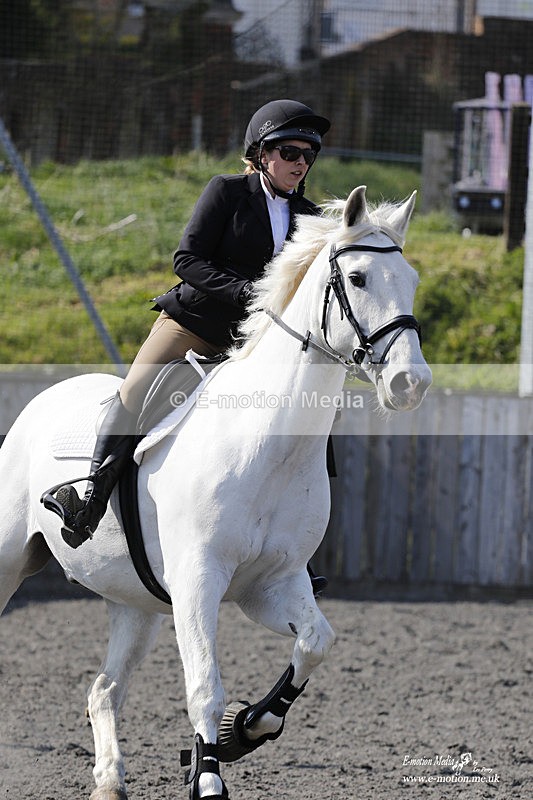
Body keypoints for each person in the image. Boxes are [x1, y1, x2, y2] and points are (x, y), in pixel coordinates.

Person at [42, 99, 330, 591]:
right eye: (289, 151)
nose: (300, 162)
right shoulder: (226, 192)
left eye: (308, 154)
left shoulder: (311, 216)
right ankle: (88, 497)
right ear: (260, 153)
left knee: (306, 414)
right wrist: (246, 294)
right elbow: (188, 259)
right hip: (196, 322)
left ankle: (287, 550)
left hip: (256, 342)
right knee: (134, 394)